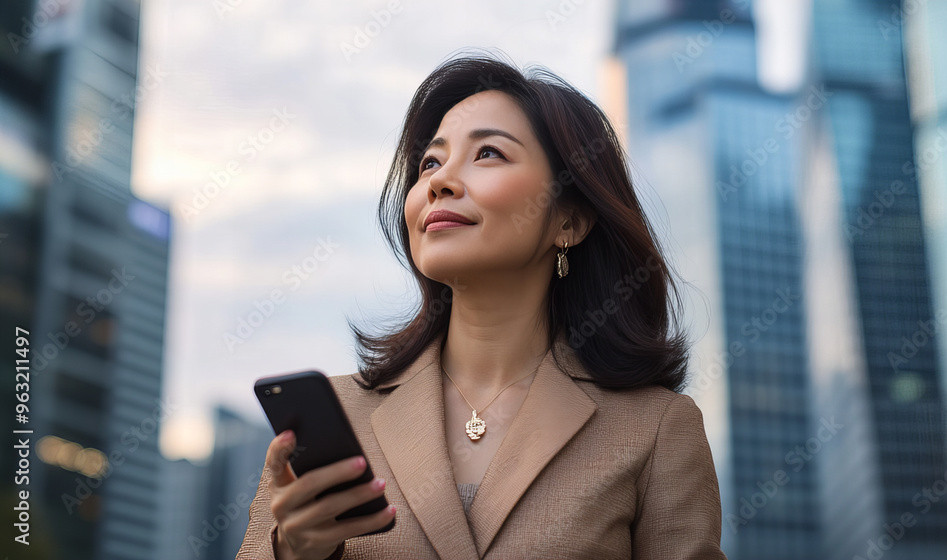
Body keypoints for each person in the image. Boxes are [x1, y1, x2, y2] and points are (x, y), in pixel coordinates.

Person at [237, 50, 727, 560]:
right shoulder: (334, 420)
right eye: (430, 162)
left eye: (488, 153)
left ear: (569, 222)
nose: (439, 182)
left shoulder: (654, 430)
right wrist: (292, 553)